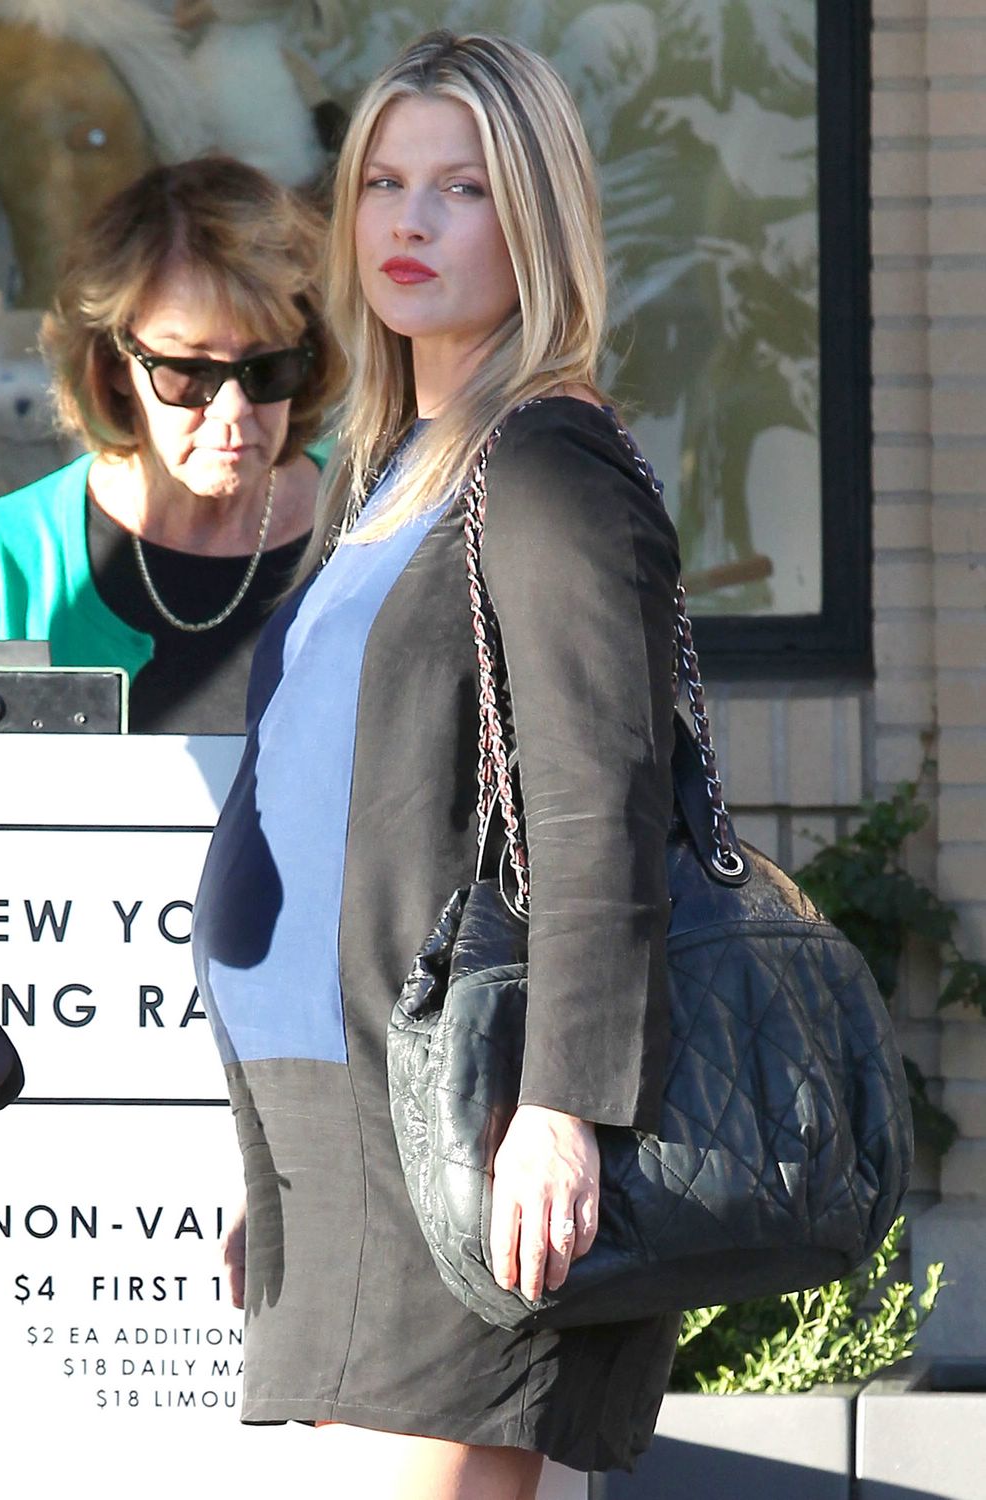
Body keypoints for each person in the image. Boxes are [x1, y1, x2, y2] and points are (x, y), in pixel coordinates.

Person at [192, 30, 682, 1498]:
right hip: (337, 1117)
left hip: (461, 1115)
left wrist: (563, 1109)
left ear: (535, 221)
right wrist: (271, 1150)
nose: (409, 221)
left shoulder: (541, 463)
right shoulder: (388, 468)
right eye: (384, 183)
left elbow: (599, 803)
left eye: (462, 189)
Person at [0, 157, 339, 733]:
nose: (232, 409)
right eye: (188, 372)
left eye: (268, 368)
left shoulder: (378, 526)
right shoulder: (5, 561)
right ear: (114, 364)